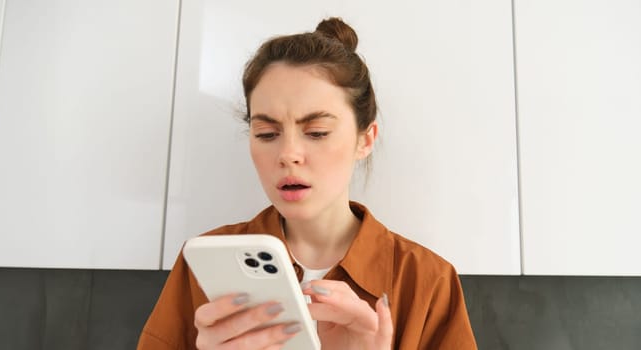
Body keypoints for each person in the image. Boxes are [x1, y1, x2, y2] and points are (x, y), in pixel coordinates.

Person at [138, 17, 477, 350]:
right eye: (266, 134)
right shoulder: (203, 265)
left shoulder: (428, 282)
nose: (288, 154)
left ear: (365, 139)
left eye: (316, 133)